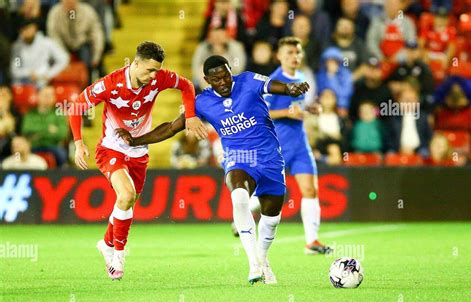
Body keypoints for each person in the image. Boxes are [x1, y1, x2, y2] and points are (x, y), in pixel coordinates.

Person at [115, 55, 310, 285]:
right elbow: (171, 127)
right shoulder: (201, 102)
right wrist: (137, 140)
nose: (224, 82)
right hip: (238, 158)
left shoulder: (247, 81)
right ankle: (253, 263)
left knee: (272, 218)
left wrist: (290, 89)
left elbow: (273, 86)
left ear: (230, 71)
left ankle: (263, 259)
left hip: (270, 158)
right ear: (207, 80)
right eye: (216, 79)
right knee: (239, 197)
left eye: (226, 75)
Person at [68, 41, 206, 281]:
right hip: (111, 148)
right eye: (149, 70)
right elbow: (78, 105)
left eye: (157, 71)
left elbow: (185, 85)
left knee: (127, 202)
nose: (153, 76)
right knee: (126, 195)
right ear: (135, 63)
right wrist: (79, 143)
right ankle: (118, 258)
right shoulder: (110, 84)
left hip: (139, 152)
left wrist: (190, 115)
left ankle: (107, 244)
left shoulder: (159, 79)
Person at [259, 37, 332, 254]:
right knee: (270, 194)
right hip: (278, 145)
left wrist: (311, 109)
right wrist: (286, 113)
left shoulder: (301, 77)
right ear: (279, 56)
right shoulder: (273, 82)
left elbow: (298, 107)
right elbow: (262, 113)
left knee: (310, 189)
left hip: (300, 143)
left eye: (297, 52)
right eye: (289, 53)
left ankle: (312, 242)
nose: (294, 57)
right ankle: (242, 216)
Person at [11, 18, 69, 88]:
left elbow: (63, 59)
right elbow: (15, 69)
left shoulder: (46, 43)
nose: (26, 32)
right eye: (23, 29)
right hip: (23, 84)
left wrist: (49, 74)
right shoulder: (17, 47)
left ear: (35, 28)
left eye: (28, 28)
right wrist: (28, 73)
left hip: (42, 83)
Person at [21, 85, 69, 166]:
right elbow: (26, 130)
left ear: (54, 98)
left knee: (62, 155)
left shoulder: (59, 114)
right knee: (19, 153)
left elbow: (63, 134)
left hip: (52, 147)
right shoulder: (30, 114)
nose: (48, 98)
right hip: (33, 146)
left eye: (50, 95)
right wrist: (49, 129)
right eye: (45, 95)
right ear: (38, 96)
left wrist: (37, 133)